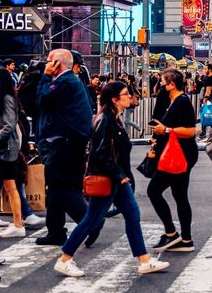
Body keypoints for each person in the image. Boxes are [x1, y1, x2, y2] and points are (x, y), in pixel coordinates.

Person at [53, 81, 169, 278]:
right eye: (125, 94)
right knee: (92, 219)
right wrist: (120, 174)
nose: (129, 97)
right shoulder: (105, 121)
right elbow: (100, 154)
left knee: (132, 215)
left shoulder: (114, 118)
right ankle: (65, 258)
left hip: (117, 180)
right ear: (115, 99)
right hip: (108, 179)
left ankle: (143, 260)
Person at [34, 49, 95, 246]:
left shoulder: (65, 82)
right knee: (57, 189)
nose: (46, 64)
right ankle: (56, 232)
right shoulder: (70, 82)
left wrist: (45, 76)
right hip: (68, 142)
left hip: (65, 143)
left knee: (60, 187)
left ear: (57, 64)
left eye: (49, 61)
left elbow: (41, 99)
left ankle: (91, 222)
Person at [147, 68, 198, 252]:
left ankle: (171, 233)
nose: (160, 85)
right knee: (180, 195)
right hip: (180, 154)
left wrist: (166, 130)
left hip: (179, 156)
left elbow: (192, 130)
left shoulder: (182, 102)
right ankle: (186, 240)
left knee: (153, 190)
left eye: (163, 82)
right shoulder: (173, 101)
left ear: (172, 85)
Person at [0, 68, 26, 239]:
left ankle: (15, 223)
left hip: (6, 148)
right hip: (5, 148)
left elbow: (9, 124)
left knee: (9, 186)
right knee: (7, 185)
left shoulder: (7, 97)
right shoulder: (1, 95)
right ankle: (10, 222)